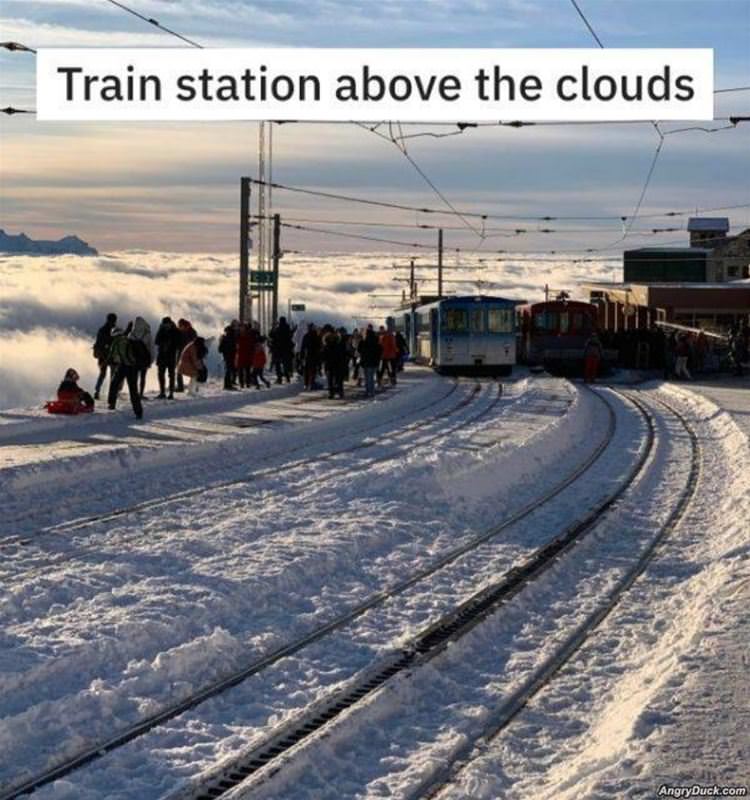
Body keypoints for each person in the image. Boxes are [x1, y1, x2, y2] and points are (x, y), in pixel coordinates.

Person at [107, 326, 143, 419]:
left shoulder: (116, 341)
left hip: (123, 366)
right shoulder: (128, 339)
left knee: (114, 383)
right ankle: (138, 412)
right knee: (133, 390)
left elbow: (112, 355)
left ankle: (111, 404)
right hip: (133, 367)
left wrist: (109, 361)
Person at [154, 316, 182, 399]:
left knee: (171, 375)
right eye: (164, 324)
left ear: (170, 323)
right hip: (162, 356)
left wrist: (171, 344)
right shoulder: (161, 330)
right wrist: (164, 343)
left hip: (171, 356)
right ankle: (162, 392)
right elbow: (156, 341)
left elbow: (179, 344)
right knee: (161, 374)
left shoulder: (176, 331)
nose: (165, 326)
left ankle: (171, 393)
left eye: (166, 324)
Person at [93, 312, 117, 400]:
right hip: (109, 356)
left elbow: (99, 343)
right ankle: (112, 392)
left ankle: (97, 391)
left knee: (103, 374)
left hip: (102, 356)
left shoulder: (102, 330)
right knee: (113, 375)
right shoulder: (111, 330)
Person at [130, 316, 154, 399]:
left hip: (134, 360)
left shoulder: (132, 334)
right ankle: (141, 394)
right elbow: (151, 348)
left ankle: (134, 393)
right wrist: (151, 359)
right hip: (144, 360)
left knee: (134, 377)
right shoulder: (147, 334)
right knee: (143, 377)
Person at [322, 327, 348, 399]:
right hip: (337, 364)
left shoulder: (326, 345)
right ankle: (339, 392)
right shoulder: (338, 343)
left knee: (331, 380)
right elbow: (341, 355)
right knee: (338, 379)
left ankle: (332, 393)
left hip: (330, 365)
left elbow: (323, 356)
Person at [358, 325, 382, 398]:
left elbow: (359, 350)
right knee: (371, 377)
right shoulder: (376, 341)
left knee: (367, 377)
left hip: (365, 362)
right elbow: (380, 350)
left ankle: (368, 391)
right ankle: (372, 391)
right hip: (374, 362)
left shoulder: (363, 341)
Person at [270, 316, 295, 384]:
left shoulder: (278, 329)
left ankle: (279, 378)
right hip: (286, 350)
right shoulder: (287, 329)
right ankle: (287, 378)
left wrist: (273, 327)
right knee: (285, 364)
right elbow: (291, 336)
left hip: (278, 349)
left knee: (278, 364)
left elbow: (271, 335)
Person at [175, 319, 197, 392]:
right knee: (180, 370)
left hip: (187, 353)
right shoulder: (191, 331)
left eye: (180, 325)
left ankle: (186, 387)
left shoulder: (188, 332)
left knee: (180, 369)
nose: (179, 326)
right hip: (184, 352)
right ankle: (185, 386)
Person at [300, 323, 322, 390]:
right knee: (313, 370)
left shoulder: (306, 336)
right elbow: (319, 346)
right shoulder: (316, 336)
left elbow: (303, 347)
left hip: (307, 356)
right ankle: (312, 383)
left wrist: (302, 356)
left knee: (306, 370)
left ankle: (306, 384)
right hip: (314, 356)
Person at [219, 321, 239, 390]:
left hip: (227, 356)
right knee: (229, 370)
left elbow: (220, 349)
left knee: (229, 370)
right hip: (230, 356)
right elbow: (233, 347)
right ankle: (227, 385)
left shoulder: (224, 337)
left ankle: (228, 384)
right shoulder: (231, 336)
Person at [234, 322, 256, 388]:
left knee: (247, 370)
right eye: (241, 328)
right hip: (241, 355)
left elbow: (252, 346)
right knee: (241, 370)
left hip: (246, 355)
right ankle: (242, 383)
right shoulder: (239, 336)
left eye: (243, 328)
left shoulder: (248, 336)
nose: (242, 329)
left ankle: (247, 383)